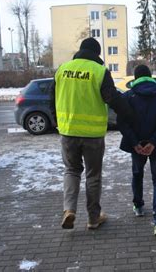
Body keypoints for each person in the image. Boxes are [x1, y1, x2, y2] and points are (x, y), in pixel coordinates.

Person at [51, 37, 134, 230]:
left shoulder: (62, 69)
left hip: (68, 131)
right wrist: (131, 113)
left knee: (71, 170)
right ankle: (93, 218)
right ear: (97, 54)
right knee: (92, 175)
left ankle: (69, 210)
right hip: (93, 135)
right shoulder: (99, 71)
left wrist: (58, 123)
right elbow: (111, 97)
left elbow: (52, 99)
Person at [117, 65, 156, 237]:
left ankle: (139, 206)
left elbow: (122, 122)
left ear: (136, 77)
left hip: (138, 146)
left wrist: (135, 144)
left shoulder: (128, 96)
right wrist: (154, 142)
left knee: (137, 174)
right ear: (150, 77)